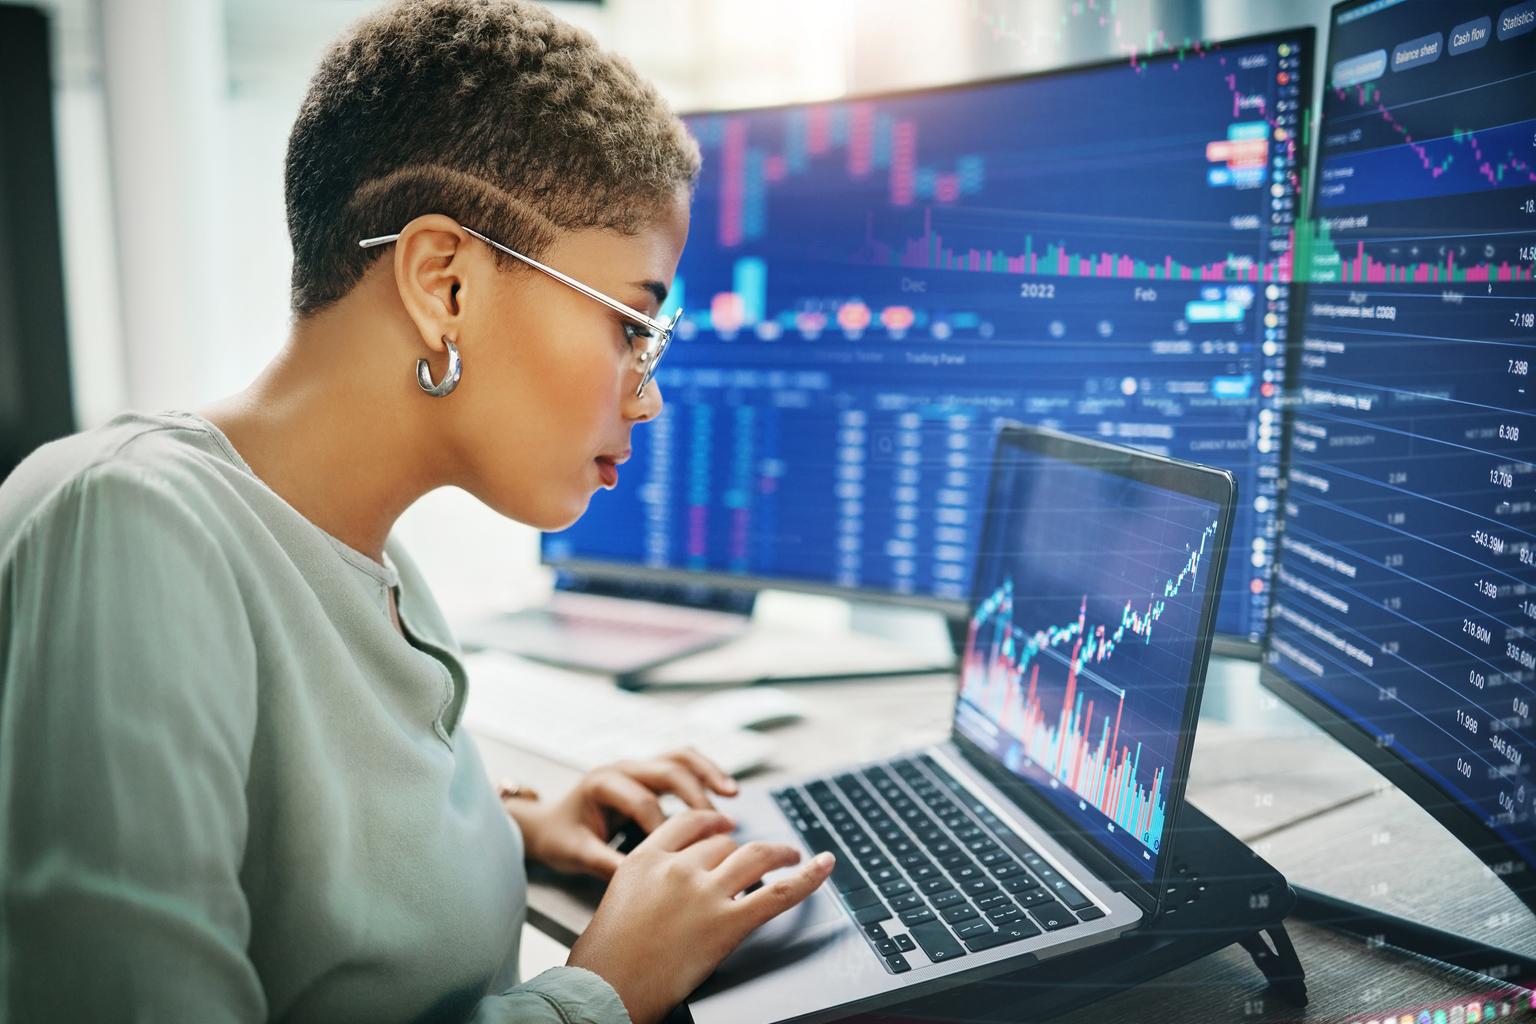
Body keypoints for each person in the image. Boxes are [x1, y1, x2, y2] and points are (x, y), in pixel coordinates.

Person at [0, 2, 835, 1022]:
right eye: (634, 327)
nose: (646, 393)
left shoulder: (362, 556)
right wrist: (600, 990)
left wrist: (508, 823)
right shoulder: (125, 530)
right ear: (445, 283)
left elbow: (294, 855)